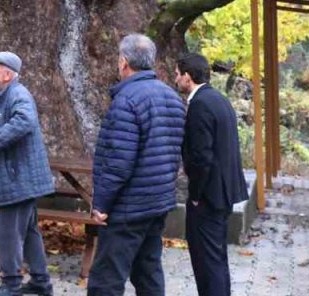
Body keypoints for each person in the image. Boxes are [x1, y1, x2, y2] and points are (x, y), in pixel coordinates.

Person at [88, 34, 186, 296]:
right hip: (158, 202)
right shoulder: (173, 99)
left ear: (123, 62)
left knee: (106, 280)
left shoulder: (126, 101)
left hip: (128, 207)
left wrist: (101, 204)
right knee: (148, 273)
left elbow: (119, 162)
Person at [0, 51, 55, 296]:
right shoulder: (5, 95)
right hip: (20, 177)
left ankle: (11, 285)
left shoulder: (17, 93)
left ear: (8, 73)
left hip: (18, 179)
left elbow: (25, 120)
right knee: (30, 231)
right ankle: (41, 282)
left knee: (8, 232)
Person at [176, 53, 247, 296]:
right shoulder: (220, 99)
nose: (176, 79)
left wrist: (195, 194)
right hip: (224, 192)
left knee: (206, 263)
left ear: (187, 76)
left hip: (208, 196)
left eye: (177, 74)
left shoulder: (200, 104)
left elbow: (201, 156)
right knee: (216, 260)